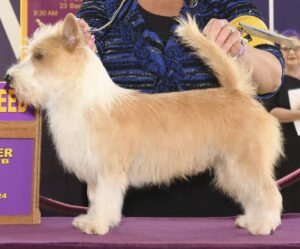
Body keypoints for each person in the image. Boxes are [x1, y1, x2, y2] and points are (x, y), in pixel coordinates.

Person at [40, 0, 284, 217]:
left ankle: (265, 209)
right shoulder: (104, 8)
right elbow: (79, 57)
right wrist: (79, 50)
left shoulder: (229, 5)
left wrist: (238, 50)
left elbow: (272, 76)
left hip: (217, 208)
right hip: (127, 203)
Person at [264, 29, 300, 213]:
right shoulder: (275, 82)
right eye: (286, 49)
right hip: (286, 152)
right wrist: (297, 114)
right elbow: (270, 112)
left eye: (296, 48)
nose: (292, 53)